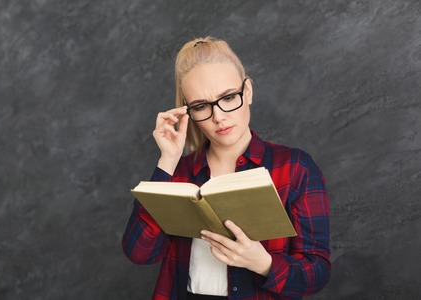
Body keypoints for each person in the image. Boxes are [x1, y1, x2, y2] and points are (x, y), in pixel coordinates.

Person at [122, 36, 331, 300]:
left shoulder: (295, 167)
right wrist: (168, 161)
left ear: (248, 92)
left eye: (229, 97)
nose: (219, 117)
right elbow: (140, 253)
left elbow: (317, 272)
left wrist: (262, 263)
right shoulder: (180, 173)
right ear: (189, 113)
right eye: (201, 106)